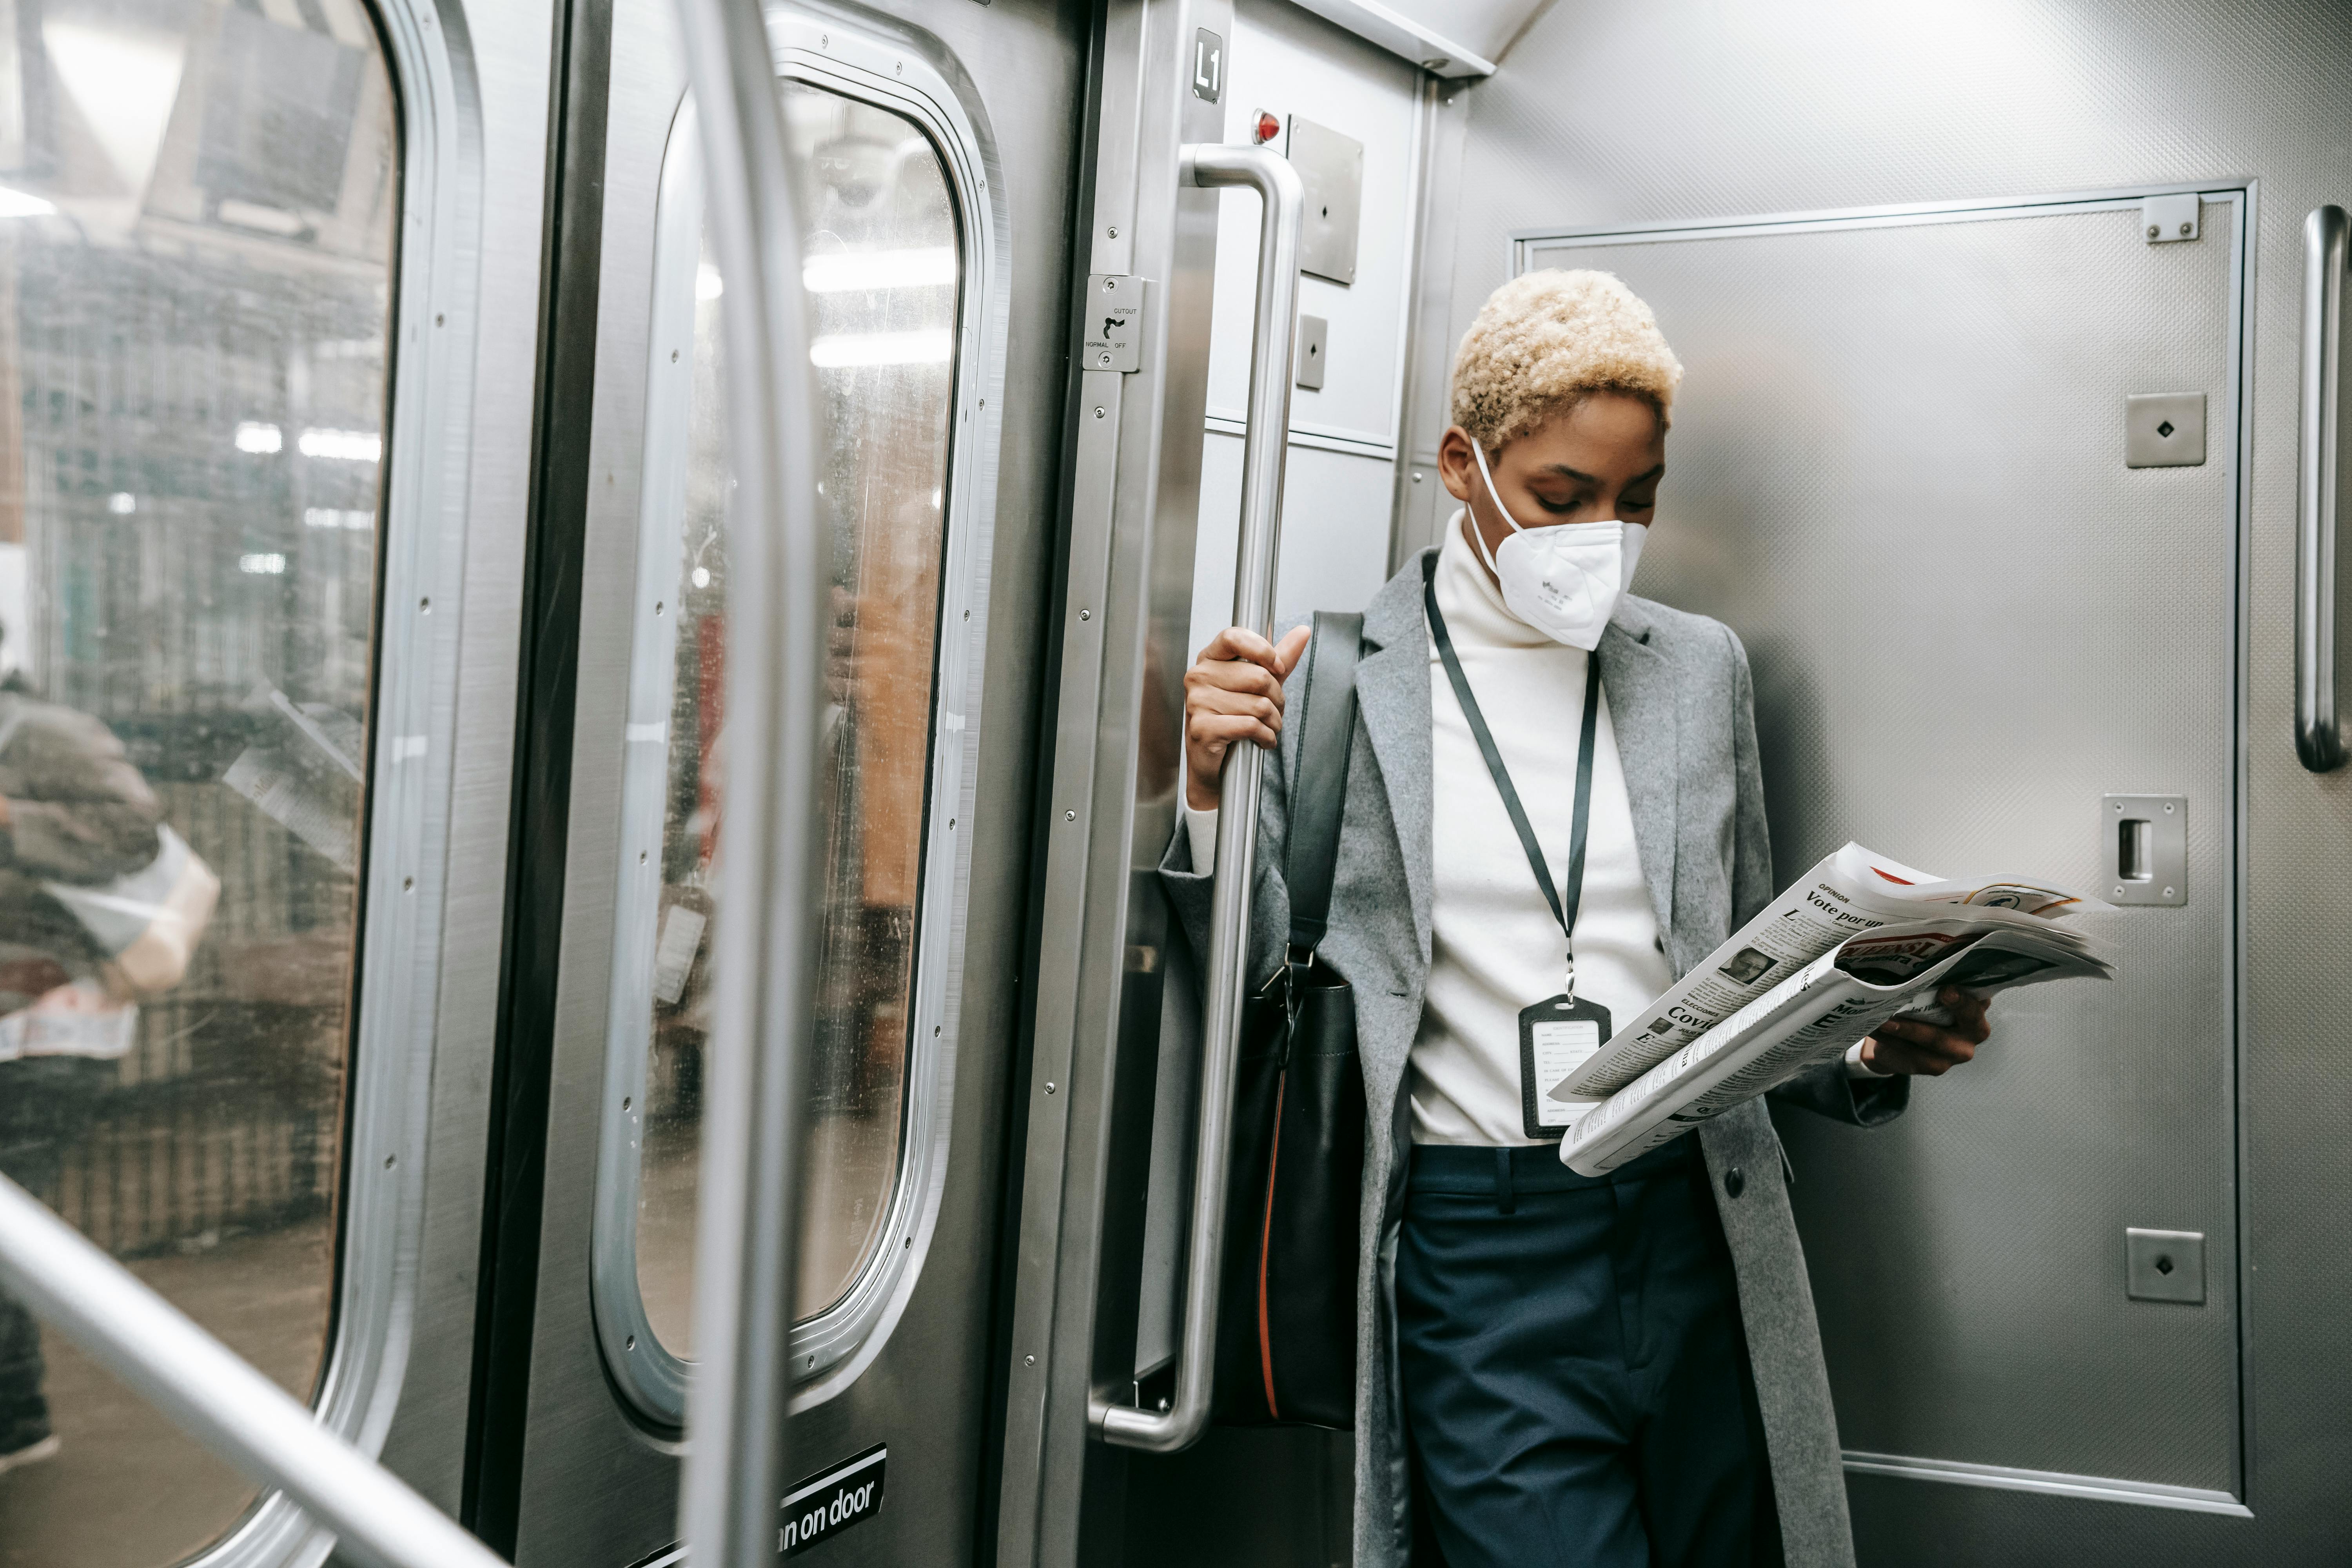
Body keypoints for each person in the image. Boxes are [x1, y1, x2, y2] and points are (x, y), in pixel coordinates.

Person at [1162, 270, 1991, 1568]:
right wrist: (1209, 797)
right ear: (1462, 465)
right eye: (1561, 498)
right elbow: (1244, 992)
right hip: (1478, 1247)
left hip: (1696, 1219)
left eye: (1636, 503)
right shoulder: (1333, 685)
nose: (1601, 534)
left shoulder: (1697, 671)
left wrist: (1875, 1038)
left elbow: (1749, 980)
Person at [0, 636, 168, 1474]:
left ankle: (16, 1425)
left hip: (51, 1019)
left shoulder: (45, 731)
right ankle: (17, 1420)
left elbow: (135, 831)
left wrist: (12, 818)